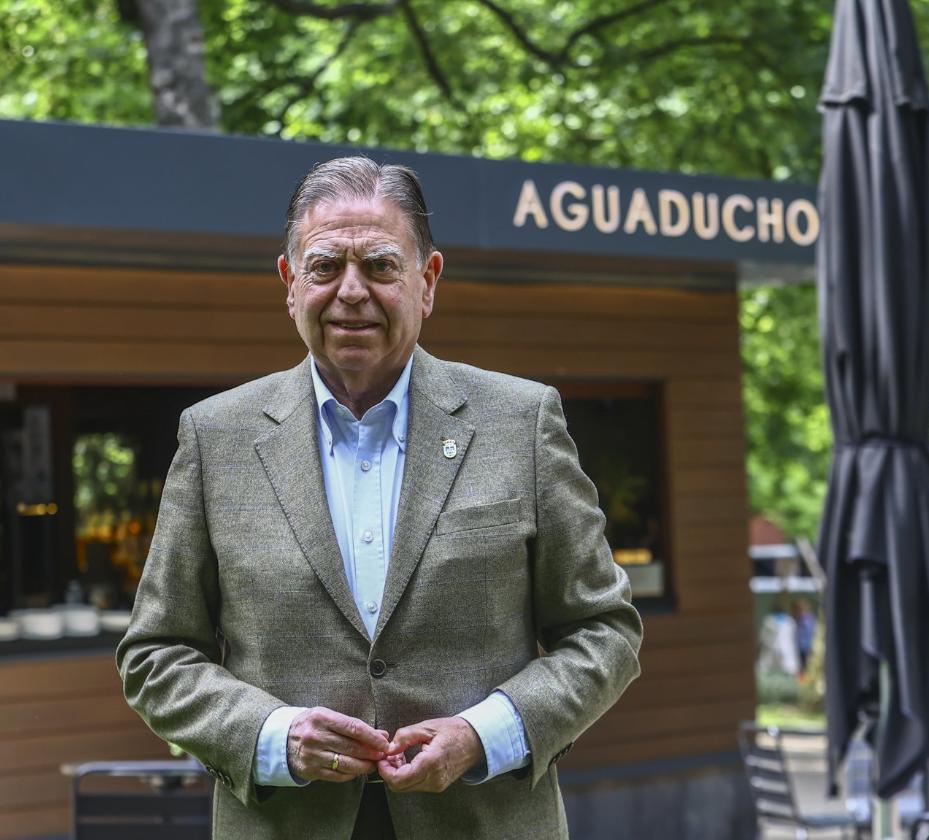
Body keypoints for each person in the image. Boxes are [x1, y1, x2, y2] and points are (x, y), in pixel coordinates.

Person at [117, 156, 643, 840]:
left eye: (381, 266)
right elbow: (155, 655)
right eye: (326, 266)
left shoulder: (521, 422)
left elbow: (606, 631)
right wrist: (274, 737)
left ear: (428, 282)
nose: (351, 292)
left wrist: (484, 735)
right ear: (289, 283)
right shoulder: (216, 439)